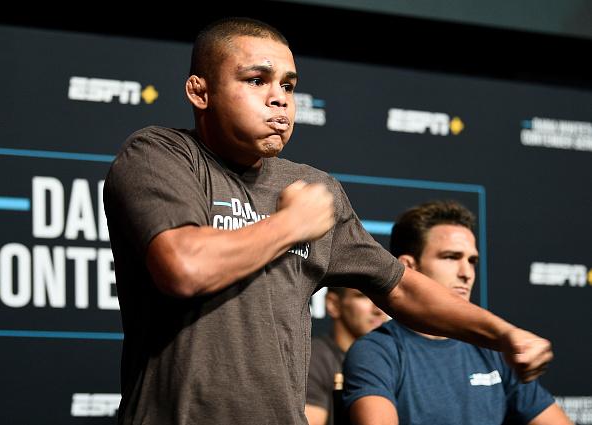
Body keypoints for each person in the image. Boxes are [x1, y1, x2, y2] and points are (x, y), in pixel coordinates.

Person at [104, 17, 553, 425]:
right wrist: (291, 225)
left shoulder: (313, 187)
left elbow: (400, 286)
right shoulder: (159, 154)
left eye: (288, 84)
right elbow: (183, 267)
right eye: (256, 80)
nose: (279, 97)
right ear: (200, 91)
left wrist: (501, 332)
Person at [342, 201, 573, 425]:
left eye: (472, 261)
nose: (467, 273)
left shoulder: (494, 350)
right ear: (409, 267)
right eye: (451, 257)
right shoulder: (377, 351)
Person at [306, 288, 389, 425]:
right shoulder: (314, 359)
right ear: (333, 304)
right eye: (364, 296)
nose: (379, 309)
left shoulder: (396, 356)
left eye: (383, 297)